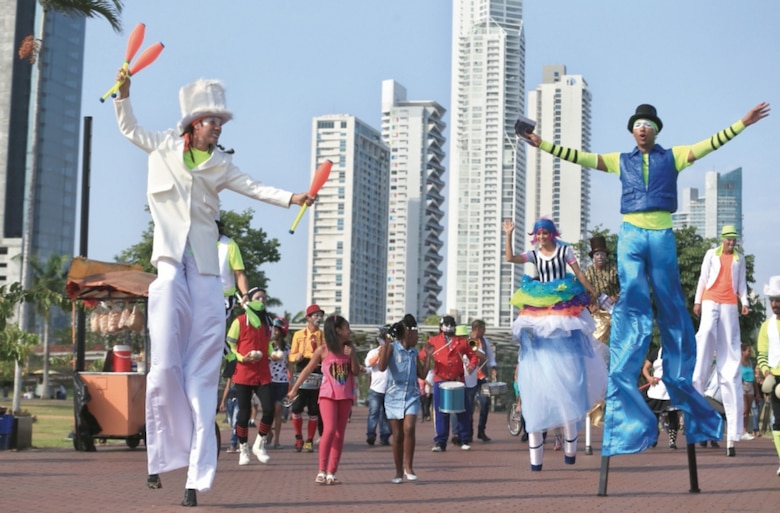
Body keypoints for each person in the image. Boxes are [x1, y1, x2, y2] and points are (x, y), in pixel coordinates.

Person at [519, 101, 770, 457]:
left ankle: (688, 393)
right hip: (632, 234)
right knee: (634, 302)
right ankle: (629, 407)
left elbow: (712, 142)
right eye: (637, 125)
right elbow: (580, 157)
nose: (641, 129)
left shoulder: (675, 157)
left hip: (663, 235)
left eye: (647, 125)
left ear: (655, 130)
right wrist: (542, 143)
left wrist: (742, 122)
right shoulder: (621, 162)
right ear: (633, 131)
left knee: (671, 306)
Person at [113, 71, 313, 506]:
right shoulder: (164, 145)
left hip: (205, 271)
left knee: (202, 376)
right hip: (169, 263)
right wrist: (124, 94)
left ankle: (195, 479)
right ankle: (158, 461)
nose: (218, 127)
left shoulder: (220, 164)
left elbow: (254, 186)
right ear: (192, 123)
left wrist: (293, 198)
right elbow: (128, 127)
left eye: (221, 122)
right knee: (164, 368)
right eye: (211, 121)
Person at [503, 217, 607, 471]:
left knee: (567, 333)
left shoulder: (564, 250)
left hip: (562, 299)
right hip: (540, 301)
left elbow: (578, 272)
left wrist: (591, 291)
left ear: (551, 234)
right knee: (538, 334)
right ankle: (538, 455)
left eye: (544, 233)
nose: (541, 237)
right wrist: (508, 234)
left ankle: (570, 448)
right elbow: (510, 259)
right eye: (537, 234)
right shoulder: (534, 254)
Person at [692, 224, 750, 456]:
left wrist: (744, 302)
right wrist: (697, 301)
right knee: (705, 332)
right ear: (722, 239)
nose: (732, 243)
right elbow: (703, 279)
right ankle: (700, 367)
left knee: (729, 356)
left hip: (728, 303)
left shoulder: (739, 259)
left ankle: (734, 433)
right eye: (728, 240)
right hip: (710, 299)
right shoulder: (710, 254)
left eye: (734, 240)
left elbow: (742, 283)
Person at [288, 314, 360, 485]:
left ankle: (331, 472)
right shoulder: (323, 350)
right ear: (337, 330)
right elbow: (307, 370)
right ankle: (321, 470)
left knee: (339, 433)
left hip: (345, 396)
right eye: (346, 328)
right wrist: (294, 389)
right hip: (328, 395)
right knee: (329, 430)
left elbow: (355, 371)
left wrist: (353, 356)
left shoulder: (349, 349)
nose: (349, 331)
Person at [377, 314, 433, 483]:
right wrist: (386, 346)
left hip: (411, 396)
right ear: (408, 333)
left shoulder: (414, 352)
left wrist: (429, 356)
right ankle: (398, 471)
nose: (418, 337)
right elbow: (381, 367)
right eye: (416, 334)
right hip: (393, 396)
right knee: (398, 435)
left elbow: (422, 374)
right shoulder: (392, 348)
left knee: (409, 428)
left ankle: (409, 467)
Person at [225, 287, 276, 466]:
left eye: (264, 297)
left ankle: (259, 444)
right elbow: (229, 347)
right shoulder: (239, 322)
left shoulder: (267, 323)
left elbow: (268, 345)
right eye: (258, 297)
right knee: (243, 414)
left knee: (269, 409)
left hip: (263, 372)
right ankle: (243, 448)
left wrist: (273, 353)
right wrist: (241, 357)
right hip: (244, 372)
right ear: (249, 300)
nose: (262, 300)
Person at [418, 315, 479, 452]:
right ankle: (440, 441)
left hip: (458, 380)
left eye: (451, 324)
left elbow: (473, 355)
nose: (449, 327)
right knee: (441, 412)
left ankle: (463, 438)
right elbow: (421, 356)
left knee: (463, 410)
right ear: (441, 327)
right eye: (446, 324)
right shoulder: (433, 341)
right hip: (440, 380)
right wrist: (427, 353)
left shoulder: (462, 342)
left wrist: (471, 366)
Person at [288, 304, 326, 453]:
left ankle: (309, 440)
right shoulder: (298, 335)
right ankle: (298, 437)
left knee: (313, 410)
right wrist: (295, 357)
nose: (318, 318)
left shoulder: (323, 336)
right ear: (308, 318)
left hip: (317, 371)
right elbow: (291, 355)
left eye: (320, 315)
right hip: (302, 370)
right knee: (296, 408)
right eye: (315, 315)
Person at [756, 276, 780, 476]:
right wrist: (766, 372)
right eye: (772, 299)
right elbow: (761, 354)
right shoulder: (766, 326)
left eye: (778, 299)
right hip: (774, 378)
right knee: (778, 421)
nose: (774, 304)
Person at [643, 347, 682, 450]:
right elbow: (645, 368)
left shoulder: (676, 351)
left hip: (670, 388)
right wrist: (649, 378)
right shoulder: (655, 352)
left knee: (673, 414)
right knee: (654, 414)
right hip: (657, 388)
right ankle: (654, 436)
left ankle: (672, 440)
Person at [469, 320, 498, 442]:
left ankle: (481, 430)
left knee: (485, 403)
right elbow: (476, 353)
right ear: (478, 329)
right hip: (469, 378)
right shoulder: (468, 340)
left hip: (482, 377)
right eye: (483, 329)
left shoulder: (485, 341)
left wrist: (493, 368)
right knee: (469, 406)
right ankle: (468, 432)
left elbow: (490, 356)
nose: (484, 331)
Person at [217, 218, 249, 320]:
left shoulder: (229, 245)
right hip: (199, 296)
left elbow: (239, 274)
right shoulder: (196, 243)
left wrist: (245, 294)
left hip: (222, 299)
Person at [364, 326, 391, 446]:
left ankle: (385, 436)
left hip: (389, 389)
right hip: (375, 390)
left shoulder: (392, 352)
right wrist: (380, 353)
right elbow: (369, 364)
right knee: (373, 413)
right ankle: (371, 435)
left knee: (385, 415)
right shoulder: (373, 352)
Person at [268, 317, 291, 449]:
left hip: (282, 382)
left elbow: (290, 365)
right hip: (268, 381)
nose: (274, 332)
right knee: (267, 411)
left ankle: (276, 440)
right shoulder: (267, 345)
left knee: (278, 411)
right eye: (273, 329)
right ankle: (268, 433)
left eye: (277, 330)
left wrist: (292, 383)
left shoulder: (287, 347)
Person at [218, 359, 239, 453]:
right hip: (230, 400)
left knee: (235, 422)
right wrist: (223, 402)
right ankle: (239, 441)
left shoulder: (243, 376)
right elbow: (227, 387)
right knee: (231, 422)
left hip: (239, 400)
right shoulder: (231, 376)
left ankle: (233, 444)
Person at [740, 343, 757, 442]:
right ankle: (743, 430)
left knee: (747, 410)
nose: (749, 353)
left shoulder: (750, 362)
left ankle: (744, 430)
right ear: (743, 352)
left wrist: (757, 392)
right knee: (744, 410)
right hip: (742, 385)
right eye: (748, 351)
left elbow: (754, 377)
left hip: (750, 385)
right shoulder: (738, 362)